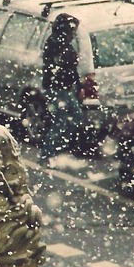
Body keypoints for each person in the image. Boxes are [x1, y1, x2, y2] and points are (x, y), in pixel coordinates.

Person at [39, 12, 82, 165]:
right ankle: (49, 153)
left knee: (65, 119)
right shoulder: (58, 44)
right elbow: (65, 69)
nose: (74, 34)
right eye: (73, 31)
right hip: (58, 89)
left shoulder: (59, 43)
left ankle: (54, 151)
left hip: (60, 88)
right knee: (63, 120)